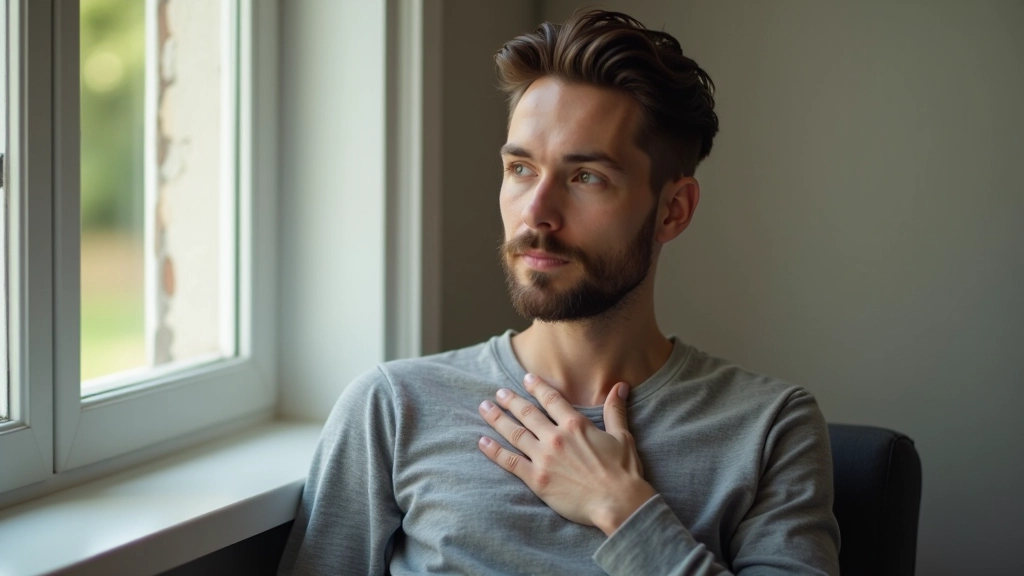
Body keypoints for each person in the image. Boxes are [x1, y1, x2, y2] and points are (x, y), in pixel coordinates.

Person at [278, 9, 840, 576]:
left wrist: (622, 509)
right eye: (521, 168)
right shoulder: (392, 408)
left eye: (586, 177)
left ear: (673, 210)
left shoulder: (769, 428)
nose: (536, 213)